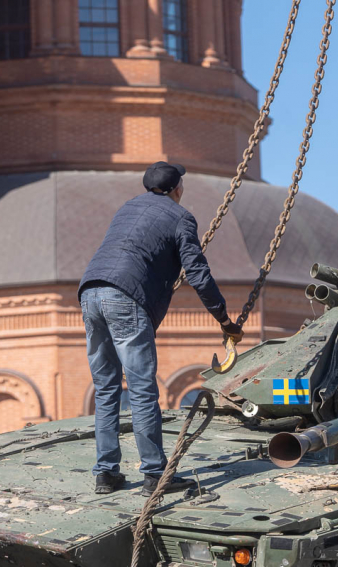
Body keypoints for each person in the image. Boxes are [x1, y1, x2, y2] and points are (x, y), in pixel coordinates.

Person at [78, 162, 243, 496]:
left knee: (107, 387)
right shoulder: (181, 216)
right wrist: (224, 320)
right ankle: (154, 474)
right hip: (125, 297)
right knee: (140, 388)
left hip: (90, 292)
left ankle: (106, 474)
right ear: (176, 189)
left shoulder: (128, 207)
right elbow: (198, 274)